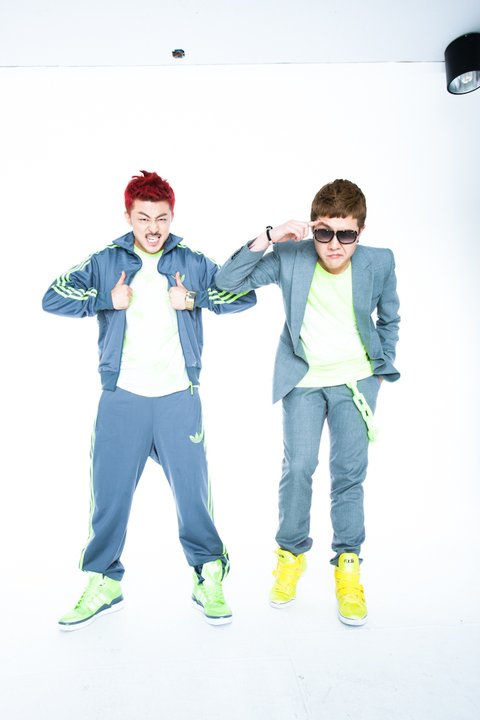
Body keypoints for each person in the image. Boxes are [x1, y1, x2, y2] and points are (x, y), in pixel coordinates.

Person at [42, 170, 255, 630]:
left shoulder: (191, 260)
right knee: (110, 498)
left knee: (194, 498)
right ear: (128, 217)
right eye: (143, 218)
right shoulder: (106, 259)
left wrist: (192, 298)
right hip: (122, 397)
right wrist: (105, 299)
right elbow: (53, 297)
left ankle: (208, 575)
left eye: (161, 218)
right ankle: (103, 582)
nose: (153, 228)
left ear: (172, 216)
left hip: (179, 395)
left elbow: (243, 296)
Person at [215, 179, 400, 626]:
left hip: (355, 382)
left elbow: (389, 318)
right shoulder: (292, 256)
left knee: (349, 475)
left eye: (346, 234)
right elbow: (227, 282)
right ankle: (290, 556)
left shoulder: (380, 262)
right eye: (324, 232)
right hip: (303, 381)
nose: (334, 244)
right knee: (298, 468)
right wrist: (270, 236)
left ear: (360, 231)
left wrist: (380, 367)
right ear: (313, 228)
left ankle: (348, 568)